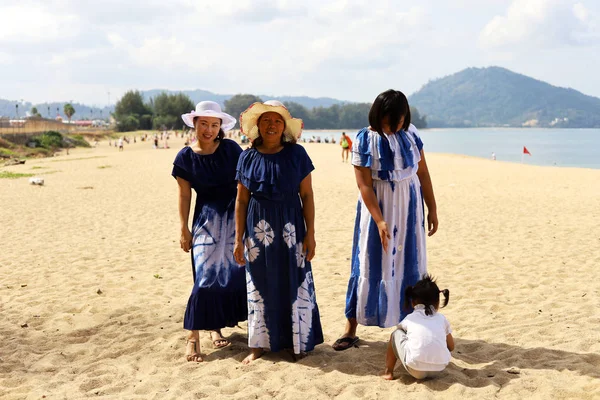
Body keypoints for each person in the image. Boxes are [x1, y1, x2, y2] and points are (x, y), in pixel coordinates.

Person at [332, 89, 439, 351]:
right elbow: (365, 186)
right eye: (388, 121)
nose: (392, 126)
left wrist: (432, 207)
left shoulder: (411, 135)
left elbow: (423, 173)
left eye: (398, 121)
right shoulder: (364, 140)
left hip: (410, 208)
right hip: (377, 208)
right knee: (369, 262)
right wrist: (379, 221)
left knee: (409, 263)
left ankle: (412, 327)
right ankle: (351, 327)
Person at [234, 100, 324, 364]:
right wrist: (238, 238)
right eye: (265, 120)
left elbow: (306, 195)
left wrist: (311, 234)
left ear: (284, 126)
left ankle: (296, 343)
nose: (271, 125)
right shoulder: (247, 157)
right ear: (258, 126)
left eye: (276, 121)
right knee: (259, 283)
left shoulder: (297, 155)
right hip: (256, 228)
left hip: (291, 227)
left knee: (292, 280)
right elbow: (241, 200)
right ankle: (259, 344)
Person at [172, 101, 247, 363]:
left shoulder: (231, 149)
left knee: (232, 274)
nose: (209, 129)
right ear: (194, 124)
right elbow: (183, 194)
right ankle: (193, 336)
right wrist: (184, 227)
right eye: (203, 123)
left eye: (214, 125)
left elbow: (245, 184)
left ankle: (215, 328)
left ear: (220, 127)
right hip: (205, 220)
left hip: (234, 217)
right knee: (204, 276)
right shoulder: (184, 157)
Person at [382, 274, 454, 380]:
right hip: (439, 369)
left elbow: (399, 331)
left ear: (413, 302)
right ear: (438, 302)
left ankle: (388, 371)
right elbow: (451, 347)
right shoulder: (442, 319)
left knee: (395, 334)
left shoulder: (410, 318)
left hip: (415, 369)